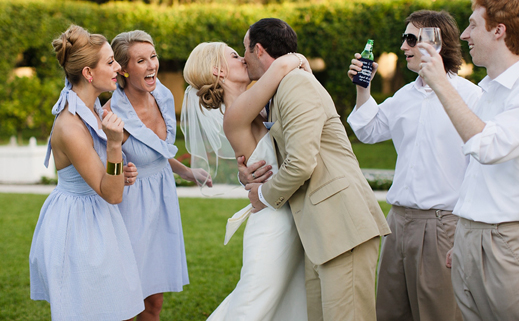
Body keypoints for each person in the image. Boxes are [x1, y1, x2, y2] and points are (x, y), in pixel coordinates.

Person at [419, 0, 519, 320]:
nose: (465, 35)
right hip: (470, 238)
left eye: (473, 25)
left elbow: (487, 148)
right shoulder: (487, 93)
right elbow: (475, 173)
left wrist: (440, 82)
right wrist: (466, 234)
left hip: (509, 242)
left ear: (499, 30)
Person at [241, 18, 390, 321]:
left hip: (342, 227)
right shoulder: (283, 86)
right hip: (322, 233)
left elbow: (301, 162)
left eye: (244, 50)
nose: (243, 58)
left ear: (258, 49)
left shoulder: (296, 83)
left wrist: (263, 195)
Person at [347, 10, 481, 321]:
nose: (403, 46)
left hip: (442, 226)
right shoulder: (404, 96)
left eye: (411, 39)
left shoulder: (471, 97)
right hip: (397, 224)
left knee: (439, 313)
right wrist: (363, 88)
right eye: (404, 38)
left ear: (437, 43)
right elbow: (368, 131)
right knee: (390, 312)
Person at [181, 41, 312, 320]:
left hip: (286, 212)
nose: (244, 58)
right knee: (251, 305)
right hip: (272, 222)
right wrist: (298, 56)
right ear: (218, 70)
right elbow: (285, 63)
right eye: (235, 55)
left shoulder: (257, 105)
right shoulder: (238, 112)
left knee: (286, 303)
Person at [29, 25, 144, 320]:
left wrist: (119, 171)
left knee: (119, 310)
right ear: (89, 74)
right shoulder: (70, 125)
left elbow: (108, 180)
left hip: (99, 218)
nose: (118, 66)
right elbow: (112, 194)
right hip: (78, 227)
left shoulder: (93, 107)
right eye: (110, 62)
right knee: (94, 312)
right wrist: (116, 147)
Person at [104, 30, 207, 320]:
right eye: (141, 60)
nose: (152, 65)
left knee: (154, 303)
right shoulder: (112, 114)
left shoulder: (161, 94)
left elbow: (158, 152)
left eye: (153, 56)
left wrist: (187, 172)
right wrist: (119, 171)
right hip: (131, 208)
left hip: (162, 202)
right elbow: (98, 169)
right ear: (123, 69)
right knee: (127, 301)